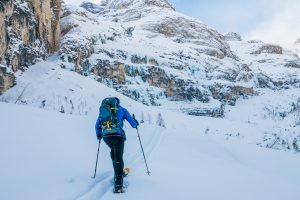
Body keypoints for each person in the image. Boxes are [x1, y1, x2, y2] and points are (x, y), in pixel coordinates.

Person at [95, 97, 139, 193]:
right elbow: (133, 124)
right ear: (117, 103)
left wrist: (99, 135)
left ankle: (119, 173)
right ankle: (118, 185)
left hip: (106, 137)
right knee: (118, 158)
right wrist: (136, 122)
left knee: (114, 154)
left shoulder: (104, 110)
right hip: (118, 136)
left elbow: (97, 125)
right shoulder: (122, 110)